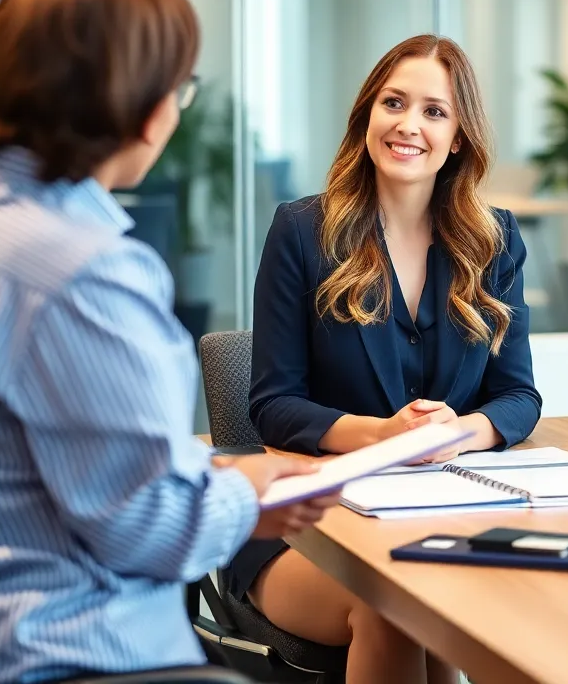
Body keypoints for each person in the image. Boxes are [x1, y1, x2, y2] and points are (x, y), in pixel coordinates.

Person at [0, 0, 339, 684]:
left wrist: (219, 468)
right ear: (134, 99)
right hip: (84, 653)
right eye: (178, 84)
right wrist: (249, 497)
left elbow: (68, 451)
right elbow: (147, 529)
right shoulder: (79, 269)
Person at [229, 34, 542, 683]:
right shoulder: (302, 231)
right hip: (310, 526)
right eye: (393, 103)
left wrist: (458, 431)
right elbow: (273, 405)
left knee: (492, 606)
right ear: (367, 115)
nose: (408, 125)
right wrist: (385, 436)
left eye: (434, 111)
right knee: (399, 609)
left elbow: (519, 397)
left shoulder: (494, 240)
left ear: (458, 137)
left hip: (438, 512)